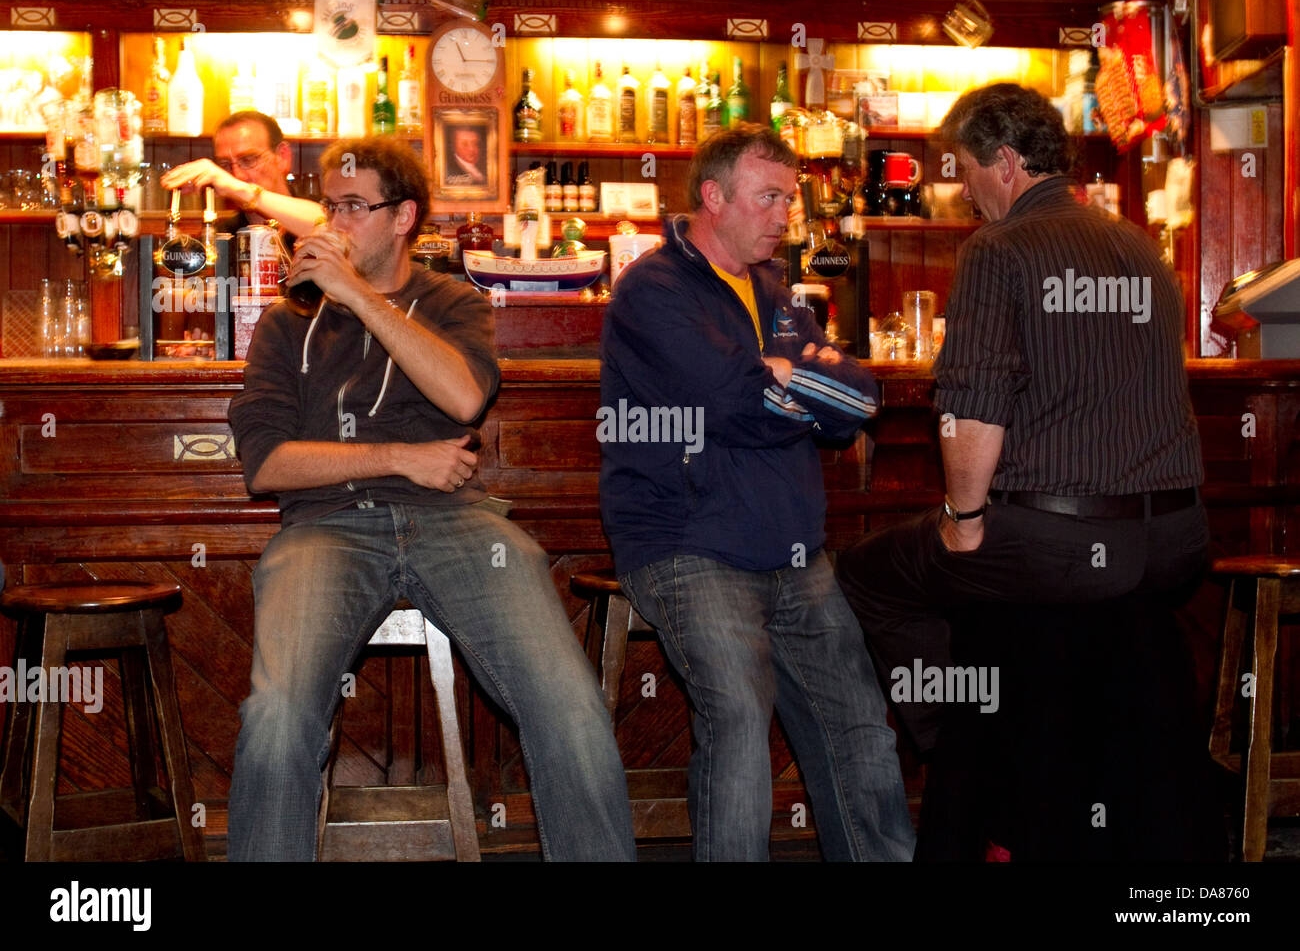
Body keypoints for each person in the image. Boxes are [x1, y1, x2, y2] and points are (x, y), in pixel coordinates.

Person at [226, 136, 635, 861]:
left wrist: (358, 295)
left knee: (569, 706)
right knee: (279, 715)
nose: (333, 220)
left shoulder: (452, 301)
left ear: (404, 215)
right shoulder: (287, 322)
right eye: (331, 205)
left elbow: (465, 395)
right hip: (328, 527)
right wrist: (399, 458)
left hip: (458, 523)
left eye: (354, 206)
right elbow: (266, 465)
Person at [834, 83, 1212, 860]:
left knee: (870, 574)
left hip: (1059, 551)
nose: (963, 189)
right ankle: (1009, 746)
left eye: (967, 170)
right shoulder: (1142, 246)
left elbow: (971, 408)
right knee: (1003, 594)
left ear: (1005, 163)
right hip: (1174, 543)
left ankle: (970, 751)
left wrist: (964, 520)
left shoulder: (1000, 250)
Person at [599, 123, 914, 861]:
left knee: (859, 720)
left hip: (792, 545)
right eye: (770, 197)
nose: (786, 215)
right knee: (740, 712)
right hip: (687, 541)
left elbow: (861, 402)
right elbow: (733, 403)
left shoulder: (775, 288)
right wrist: (789, 380)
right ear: (714, 197)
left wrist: (789, 377)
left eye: (790, 198)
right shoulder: (652, 289)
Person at [162, 109, 325, 244]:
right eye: (225, 165)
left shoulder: (320, 209)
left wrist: (244, 191)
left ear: (282, 156)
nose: (236, 175)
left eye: (248, 160)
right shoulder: (225, 236)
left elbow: (332, 230)